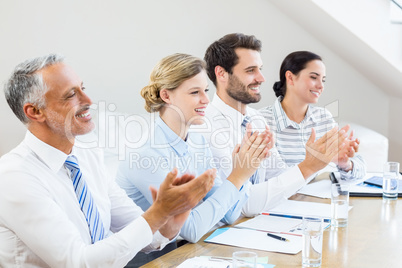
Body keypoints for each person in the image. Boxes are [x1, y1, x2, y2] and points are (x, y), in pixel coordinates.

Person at [0, 54, 215, 268]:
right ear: (35, 112)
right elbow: (78, 262)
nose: (88, 101)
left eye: (83, 88)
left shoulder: (86, 155)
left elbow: (135, 225)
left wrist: (166, 224)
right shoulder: (14, 176)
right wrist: (157, 215)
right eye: (71, 95)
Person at [116, 53, 271, 247]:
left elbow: (230, 215)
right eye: (195, 92)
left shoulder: (197, 142)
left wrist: (246, 169)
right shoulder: (145, 156)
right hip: (149, 259)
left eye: (206, 90)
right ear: (166, 95)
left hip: (181, 252)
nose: (206, 100)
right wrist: (238, 176)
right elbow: (191, 229)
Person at [201, 33, 348, 217]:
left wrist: (317, 161)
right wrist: (308, 166)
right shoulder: (206, 128)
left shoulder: (257, 120)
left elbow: (279, 176)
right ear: (221, 74)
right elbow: (243, 204)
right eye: (250, 70)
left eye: (260, 69)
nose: (261, 78)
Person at [259, 51, 366, 180]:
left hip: (319, 199)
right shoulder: (262, 120)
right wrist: (312, 164)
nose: (321, 86)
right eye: (314, 77)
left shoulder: (323, 117)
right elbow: (272, 179)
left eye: (323, 80)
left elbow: (361, 171)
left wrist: (345, 163)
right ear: (290, 78)